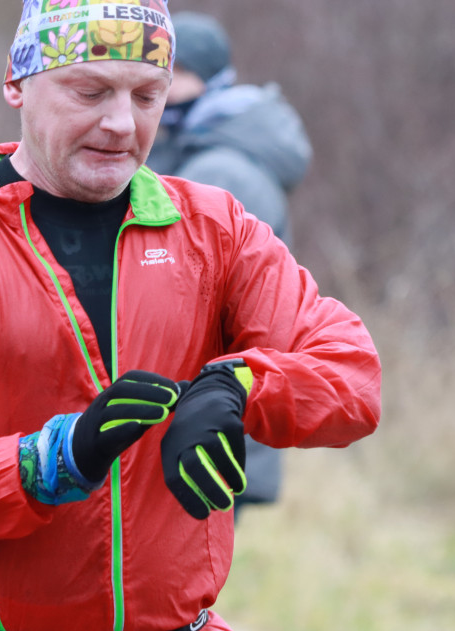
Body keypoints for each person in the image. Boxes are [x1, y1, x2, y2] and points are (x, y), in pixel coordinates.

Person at [0, 1, 380, 631]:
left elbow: (353, 377)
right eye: (90, 91)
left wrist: (240, 386)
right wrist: (49, 461)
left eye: (147, 95)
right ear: (17, 81)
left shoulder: (213, 229)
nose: (121, 123)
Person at [147, 11, 314, 514]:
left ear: (209, 79)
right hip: (207, 408)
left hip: (207, 413)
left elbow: (191, 301)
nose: (161, 88)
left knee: (177, 583)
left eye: (174, 75)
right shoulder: (196, 150)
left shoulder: (219, 170)